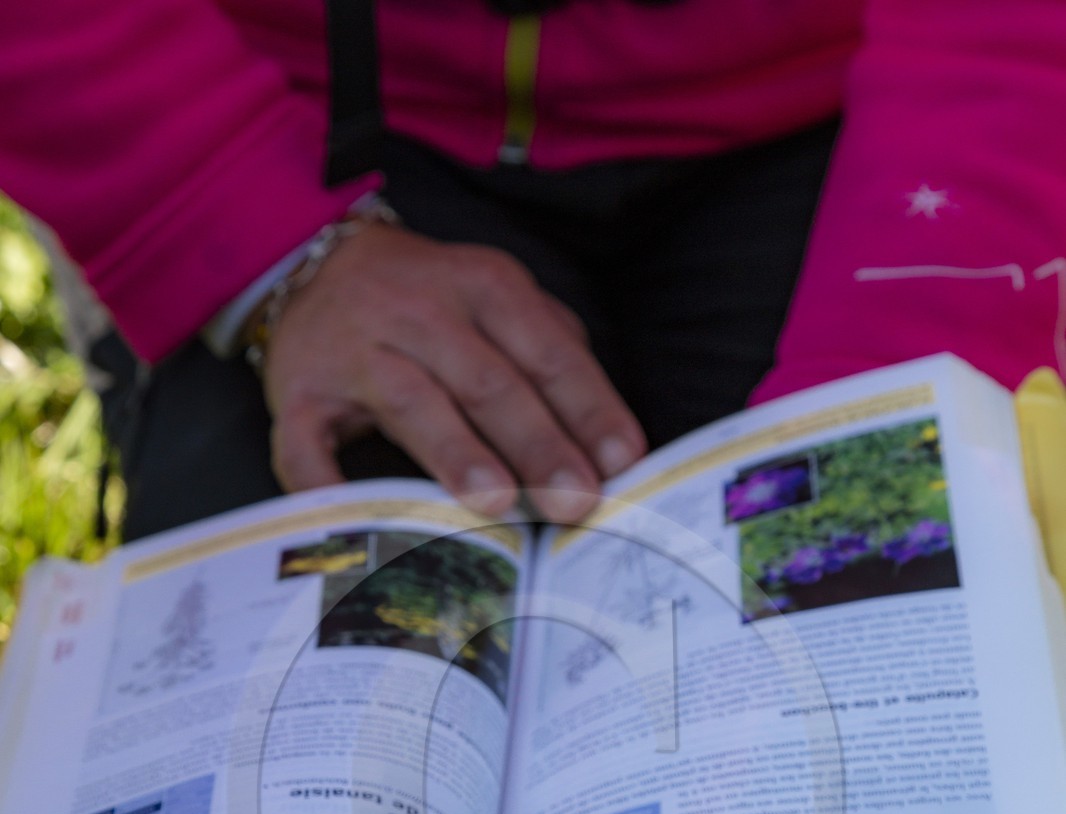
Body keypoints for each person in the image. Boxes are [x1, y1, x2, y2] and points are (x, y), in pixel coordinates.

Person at [4, 0, 1066, 542]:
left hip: (830, 105)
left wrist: (886, 385)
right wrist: (240, 222)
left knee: (897, 562)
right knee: (304, 685)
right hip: (275, 101)